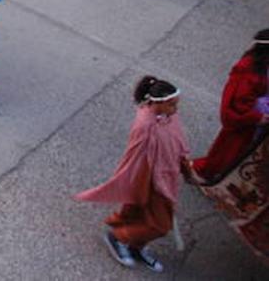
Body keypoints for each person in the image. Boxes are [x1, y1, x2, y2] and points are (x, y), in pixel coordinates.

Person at [75, 76, 191, 273]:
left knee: (144, 216)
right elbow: (137, 159)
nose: (176, 109)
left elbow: (177, 141)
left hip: (167, 176)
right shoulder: (145, 126)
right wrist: (144, 184)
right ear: (157, 102)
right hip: (153, 181)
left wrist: (183, 165)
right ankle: (119, 237)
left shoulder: (169, 117)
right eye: (172, 104)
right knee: (161, 226)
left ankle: (136, 246)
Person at [191, 30, 269, 183]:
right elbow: (238, 101)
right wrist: (258, 117)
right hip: (250, 123)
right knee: (230, 153)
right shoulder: (248, 68)